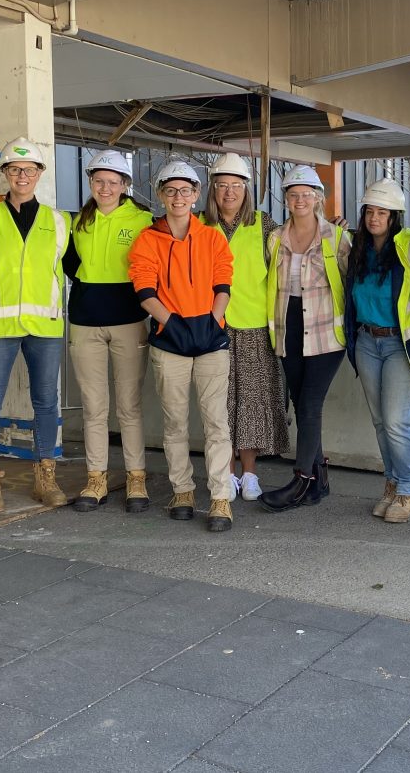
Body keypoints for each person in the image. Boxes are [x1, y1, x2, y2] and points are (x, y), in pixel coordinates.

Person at [128, 159, 236, 532]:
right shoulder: (147, 239)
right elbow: (144, 287)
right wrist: (169, 322)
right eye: (171, 190)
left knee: (216, 422)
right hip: (169, 339)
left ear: (196, 195)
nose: (178, 197)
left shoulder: (211, 236)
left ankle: (221, 498)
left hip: (210, 337)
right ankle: (183, 491)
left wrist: (213, 320)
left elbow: (223, 281)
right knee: (175, 422)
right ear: (161, 195)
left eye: (185, 190)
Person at [0, 137, 71, 514]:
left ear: (40, 174)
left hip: (44, 326)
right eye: (14, 170)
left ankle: (46, 478)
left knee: (46, 403)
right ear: (5, 174)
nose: (22, 176)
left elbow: (72, 270)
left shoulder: (60, 222)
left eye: (29, 170)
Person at [64, 150, 154, 513]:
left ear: (125, 185)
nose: (105, 187)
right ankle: (96, 478)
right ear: (90, 183)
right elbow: (71, 264)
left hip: (130, 322)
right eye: (99, 180)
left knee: (129, 407)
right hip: (85, 321)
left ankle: (136, 478)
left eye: (113, 181)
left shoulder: (145, 220)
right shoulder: (77, 223)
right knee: (94, 407)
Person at [257, 165, 351, 513]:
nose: (299, 200)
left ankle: (302, 481)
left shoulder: (337, 238)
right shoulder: (275, 238)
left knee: (310, 405)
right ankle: (320, 478)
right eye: (293, 194)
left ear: (317, 198)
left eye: (306, 194)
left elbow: (350, 282)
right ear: (287, 199)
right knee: (302, 405)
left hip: (326, 332)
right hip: (288, 328)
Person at [200, 153, 289, 502]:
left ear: (246, 189)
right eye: (222, 186)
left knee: (252, 403)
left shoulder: (264, 224)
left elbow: (292, 250)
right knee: (220, 405)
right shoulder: (198, 225)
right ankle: (225, 474)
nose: (229, 192)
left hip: (252, 325)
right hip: (210, 325)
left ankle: (249, 474)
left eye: (236, 186)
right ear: (213, 190)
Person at [345, 179, 410, 523]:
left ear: (395, 216)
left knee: (396, 421)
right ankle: (391, 485)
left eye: (382, 212)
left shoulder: (408, 248)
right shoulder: (355, 250)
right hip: (366, 341)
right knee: (380, 422)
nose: (374, 218)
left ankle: (409, 492)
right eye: (370, 212)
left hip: (399, 344)